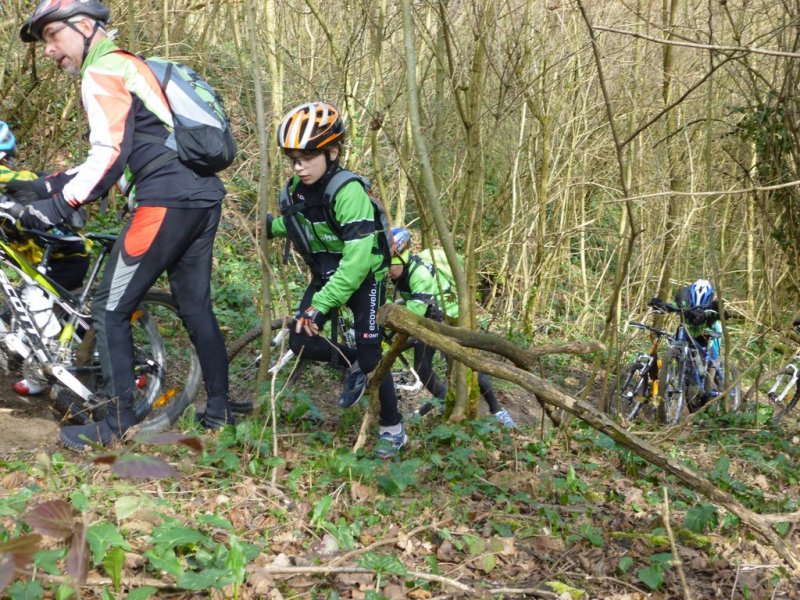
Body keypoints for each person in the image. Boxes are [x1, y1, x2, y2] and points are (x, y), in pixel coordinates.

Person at [18, 0, 232, 450]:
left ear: (83, 26)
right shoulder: (132, 67)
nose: (50, 51)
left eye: (53, 37)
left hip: (163, 202)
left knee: (110, 309)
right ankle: (219, 412)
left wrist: (60, 207)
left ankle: (116, 426)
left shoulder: (102, 71)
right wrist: (45, 187)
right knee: (195, 308)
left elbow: (110, 155)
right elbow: (123, 149)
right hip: (200, 198)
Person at [265, 101, 405, 457]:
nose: (298, 166)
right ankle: (352, 360)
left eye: (307, 157)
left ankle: (393, 426)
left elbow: (357, 264)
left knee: (374, 355)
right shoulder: (295, 190)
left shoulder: (349, 192)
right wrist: (270, 227)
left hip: (363, 278)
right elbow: (301, 221)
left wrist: (319, 306)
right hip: (327, 273)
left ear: (332, 152)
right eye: (293, 158)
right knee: (300, 341)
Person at [387, 227, 515, 427]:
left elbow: (411, 317)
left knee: (468, 365)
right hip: (429, 321)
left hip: (450, 320)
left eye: (390, 266)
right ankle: (442, 397)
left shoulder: (418, 273)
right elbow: (411, 306)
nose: (387, 270)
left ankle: (498, 410)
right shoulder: (402, 275)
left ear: (402, 259)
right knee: (422, 367)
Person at [0, 120, 91, 395]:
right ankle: (42, 372)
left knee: (31, 302)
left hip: (66, 257)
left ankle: (54, 366)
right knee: (16, 316)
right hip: (39, 263)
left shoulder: (21, 181)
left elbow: (42, 189)